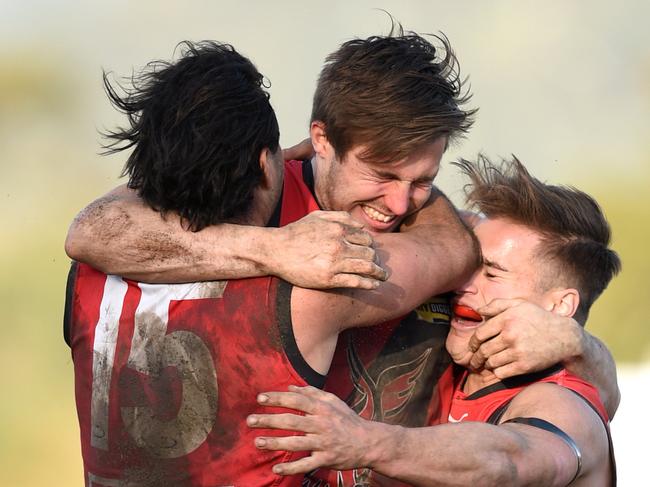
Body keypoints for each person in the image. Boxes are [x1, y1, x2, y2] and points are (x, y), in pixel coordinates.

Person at [65, 25, 619, 486]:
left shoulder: (457, 247)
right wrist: (274, 248)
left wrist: (579, 345)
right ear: (320, 141)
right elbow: (89, 230)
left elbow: (576, 409)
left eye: (423, 179)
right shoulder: (249, 205)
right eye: (380, 174)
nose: (399, 202)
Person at [247, 155, 619, 486]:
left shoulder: (562, 402)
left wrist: (365, 441)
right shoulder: (458, 360)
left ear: (560, 307)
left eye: (491, 274)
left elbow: (510, 459)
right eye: (470, 265)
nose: (463, 282)